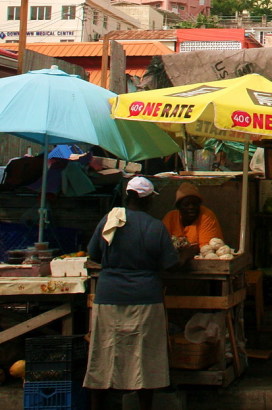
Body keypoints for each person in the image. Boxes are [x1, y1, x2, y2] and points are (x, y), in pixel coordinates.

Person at [84, 176, 182, 410]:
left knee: (103, 355)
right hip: (145, 299)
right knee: (144, 359)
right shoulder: (155, 226)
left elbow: (94, 255)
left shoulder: (109, 221)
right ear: (148, 201)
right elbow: (169, 263)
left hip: (109, 297)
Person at [162, 181, 225, 247]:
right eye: (186, 204)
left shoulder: (206, 216)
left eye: (195, 203)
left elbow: (206, 249)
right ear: (178, 207)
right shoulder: (170, 217)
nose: (191, 207)